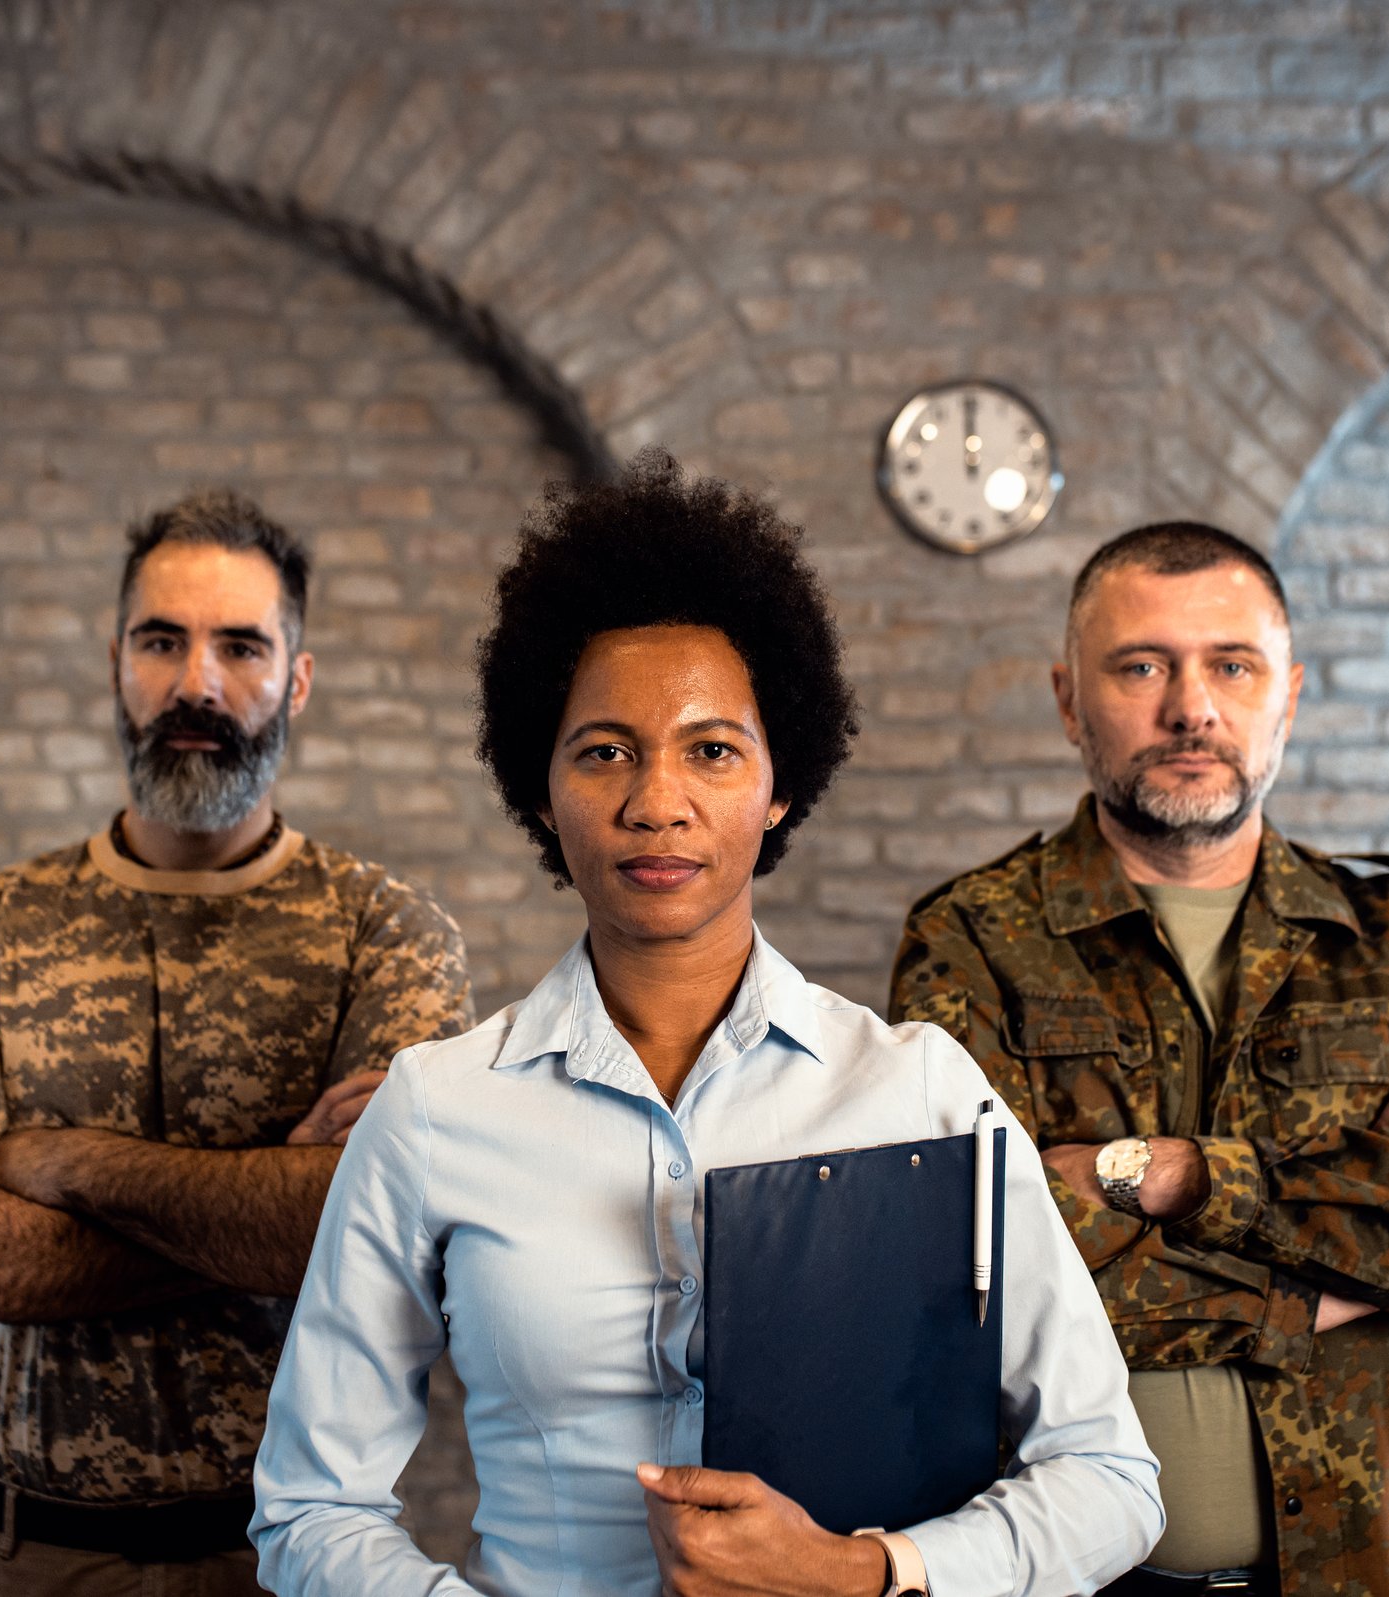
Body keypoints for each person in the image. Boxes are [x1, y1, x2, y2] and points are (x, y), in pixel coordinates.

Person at [250, 450, 1162, 1597]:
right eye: (605, 752)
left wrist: (863, 1572)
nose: (657, 802)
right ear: (541, 790)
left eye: (712, 750)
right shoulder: (436, 1110)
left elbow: (1111, 1478)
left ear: (780, 786)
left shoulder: (921, 1094)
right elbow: (309, 1508)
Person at [891, 521, 1389, 1597]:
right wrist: (1359, 1264)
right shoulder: (971, 939)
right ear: (1068, 699)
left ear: (1287, 694)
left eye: (1232, 666)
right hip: (1070, 1576)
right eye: (1141, 666)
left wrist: (1175, 1176)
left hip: (1364, 1573)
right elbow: (980, 1277)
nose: (1191, 707)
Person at [0, 489, 474, 1596]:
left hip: (290, 1555)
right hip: (12, 1557)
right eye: (162, 641)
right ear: (117, 663)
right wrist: (261, 1201)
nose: (197, 684)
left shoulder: (386, 933)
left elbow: (381, 1236)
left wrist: (61, 1163)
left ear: (297, 679)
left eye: (241, 647)